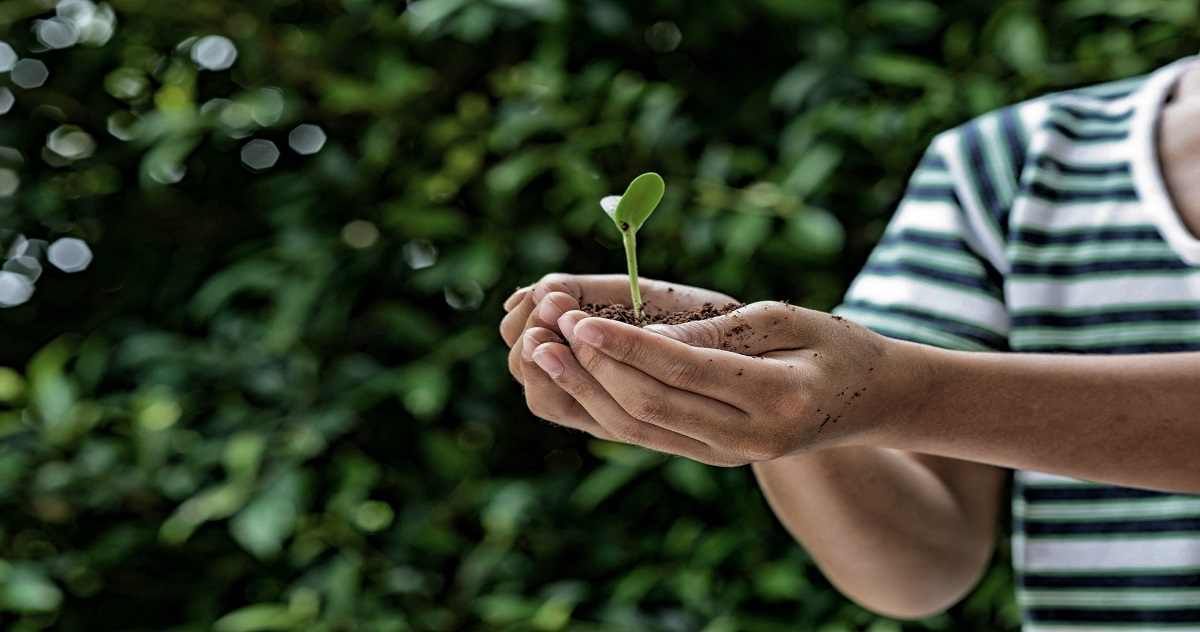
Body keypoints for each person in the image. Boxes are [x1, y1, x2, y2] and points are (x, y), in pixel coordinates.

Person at [499, 55, 1200, 629]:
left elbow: (891, 393)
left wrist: (905, 394)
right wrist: (764, 395)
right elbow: (918, 571)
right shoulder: (1008, 166)